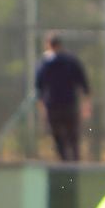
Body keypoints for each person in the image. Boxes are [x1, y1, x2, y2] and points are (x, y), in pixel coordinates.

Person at [34, 32, 91, 162]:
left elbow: (38, 88)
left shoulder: (45, 64)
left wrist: (42, 107)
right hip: (67, 105)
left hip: (54, 105)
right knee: (71, 136)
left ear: (48, 45)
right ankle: (73, 162)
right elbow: (84, 85)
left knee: (59, 137)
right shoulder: (70, 61)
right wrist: (86, 103)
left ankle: (65, 162)